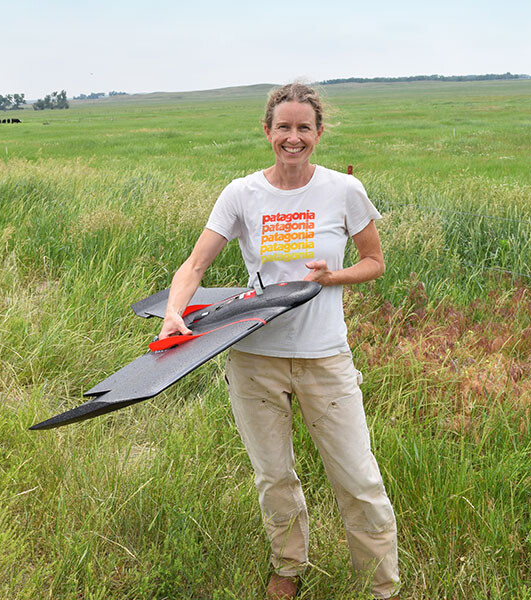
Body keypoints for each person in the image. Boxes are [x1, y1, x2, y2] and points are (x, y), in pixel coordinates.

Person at [158, 83, 400, 599]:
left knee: (359, 479)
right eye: (283, 128)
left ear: (318, 133)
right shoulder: (242, 193)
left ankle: (380, 587)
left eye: (303, 128)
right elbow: (197, 263)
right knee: (274, 477)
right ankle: (287, 567)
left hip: (324, 357)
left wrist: (332, 277)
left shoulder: (343, 191)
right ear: (267, 132)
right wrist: (174, 312)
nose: (293, 138)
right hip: (254, 359)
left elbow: (375, 262)